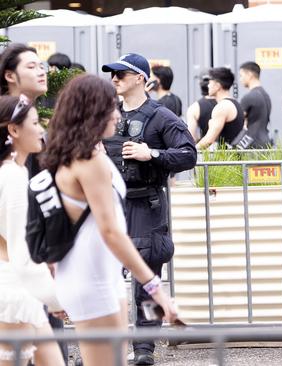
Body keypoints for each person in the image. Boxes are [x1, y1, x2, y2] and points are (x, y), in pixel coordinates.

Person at [40, 74, 178, 366]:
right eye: (109, 107)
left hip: (101, 277)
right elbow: (111, 232)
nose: (116, 114)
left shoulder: (85, 154)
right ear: (91, 112)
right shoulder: (86, 159)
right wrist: (155, 287)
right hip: (91, 279)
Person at [101, 53, 196, 365]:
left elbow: (187, 154)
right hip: (111, 205)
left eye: (122, 74)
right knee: (105, 279)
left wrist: (151, 153)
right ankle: (105, 349)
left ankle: (145, 348)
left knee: (150, 279)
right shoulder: (107, 114)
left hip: (147, 205)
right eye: (112, 74)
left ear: (140, 78)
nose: (115, 78)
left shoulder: (161, 116)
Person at [0, 43, 70, 363]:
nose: (41, 71)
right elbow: (18, 246)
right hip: (17, 282)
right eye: (31, 66)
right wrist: (56, 297)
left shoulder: (14, 169)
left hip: (29, 276)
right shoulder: (12, 175)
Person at [195, 67, 245, 150]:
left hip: (227, 160)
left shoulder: (222, 107)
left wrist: (190, 152)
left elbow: (209, 140)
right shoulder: (235, 103)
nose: (208, 85)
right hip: (235, 158)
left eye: (210, 82)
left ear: (218, 86)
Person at [239, 61, 272, 148]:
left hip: (251, 144)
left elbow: (238, 121)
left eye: (241, 75)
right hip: (266, 142)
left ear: (249, 74)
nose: (240, 79)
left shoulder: (249, 97)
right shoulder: (266, 96)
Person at [186, 74, 216, 141]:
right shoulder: (225, 103)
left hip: (205, 149)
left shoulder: (194, 108)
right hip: (229, 150)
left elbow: (192, 137)